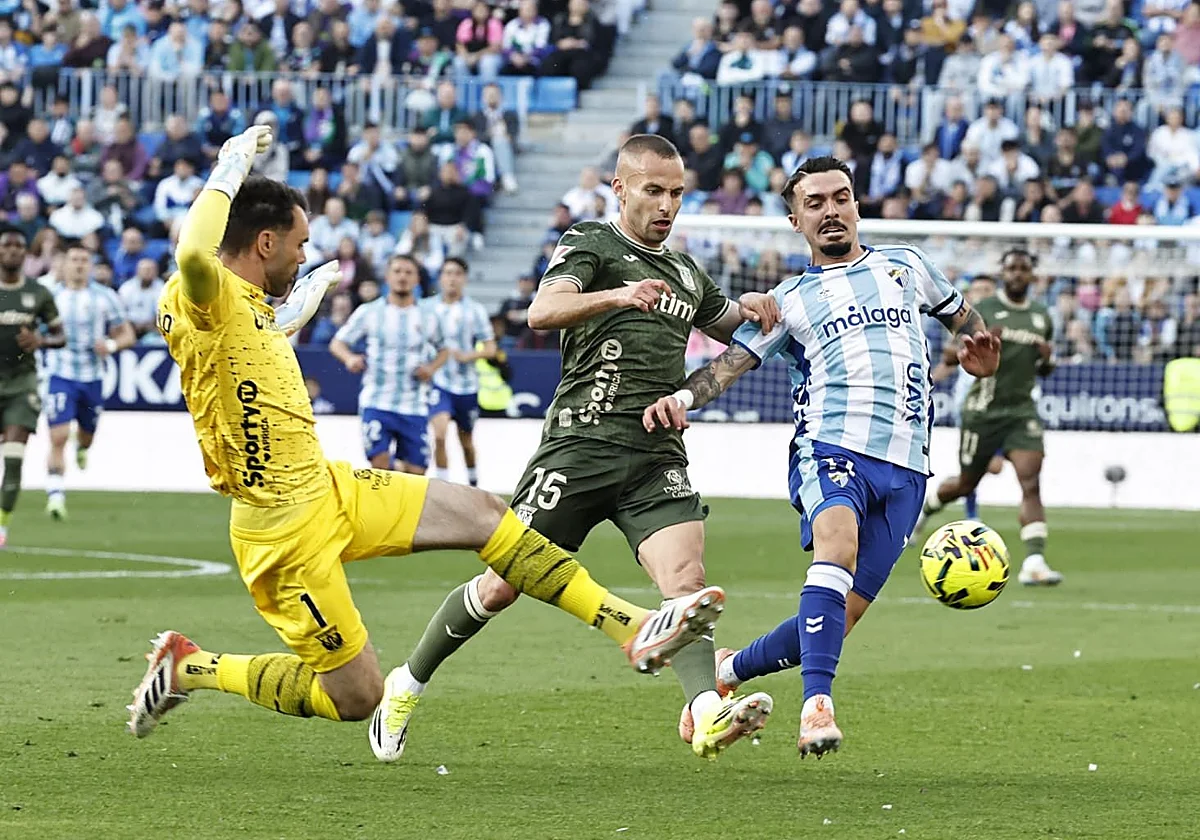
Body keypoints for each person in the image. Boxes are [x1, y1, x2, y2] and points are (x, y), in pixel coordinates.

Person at [127, 128, 724, 766]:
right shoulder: (207, 293)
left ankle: (634, 630)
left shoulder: (240, 304)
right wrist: (228, 168)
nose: (305, 257)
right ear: (264, 242)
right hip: (281, 532)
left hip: (329, 488)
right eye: (299, 245)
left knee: (486, 515)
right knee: (354, 695)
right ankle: (193, 667)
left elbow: (244, 351)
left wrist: (292, 315)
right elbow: (196, 252)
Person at [394, 133, 781, 760]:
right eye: (653, 191)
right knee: (500, 585)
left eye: (677, 193)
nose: (667, 205)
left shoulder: (685, 270)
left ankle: (705, 711)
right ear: (620, 187)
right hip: (579, 447)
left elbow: (728, 322)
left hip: (655, 454)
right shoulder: (591, 243)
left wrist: (754, 305)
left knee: (687, 581)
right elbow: (541, 311)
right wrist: (617, 295)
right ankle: (405, 682)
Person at [641, 156, 1000, 757]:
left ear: (857, 204)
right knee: (837, 546)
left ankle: (729, 670)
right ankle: (816, 707)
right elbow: (731, 365)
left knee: (842, 616)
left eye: (841, 198)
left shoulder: (906, 266)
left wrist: (982, 354)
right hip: (831, 446)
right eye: (816, 203)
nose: (831, 211)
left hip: (908, 466)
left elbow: (968, 323)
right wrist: (682, 396)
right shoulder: (790, 300)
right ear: (795, 220)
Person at [917, 248, 1062, 586]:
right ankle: (927, 508)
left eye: (1024, 269)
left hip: (1021, 412)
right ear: (1002, 272)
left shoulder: (1042, 317)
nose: (1017, 274)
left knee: (1030, 481)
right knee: (967, 483)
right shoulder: (984, 310)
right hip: (982, 413)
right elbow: (952, 354)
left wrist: (1048, 360)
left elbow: (1045, 369)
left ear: (1032, 275)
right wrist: (974, 347)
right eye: (1011, 268)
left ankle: (1035, 561)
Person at [42, 242, 136, 520]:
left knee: (86, 435)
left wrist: (110, 344)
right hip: (59, 374)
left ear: (91, 265)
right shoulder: (50, 296)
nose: (80, 264)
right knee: (57, 436)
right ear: (65, 264)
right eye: (74, 260)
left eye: (85, 260)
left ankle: (82, 447)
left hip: (92, 377)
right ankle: (56, 495)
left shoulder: (105, 297)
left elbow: (126, 334)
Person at [330, 254, 446, 475]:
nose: (402, 277)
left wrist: (431, 368)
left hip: (414, 404)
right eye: (397, 271)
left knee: (416, 472)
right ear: (387, 277)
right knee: (380, 463)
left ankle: (400, 482)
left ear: (417, 279)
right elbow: (338, 343)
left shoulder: (428, 316)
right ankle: (386, 502)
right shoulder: (370, 312)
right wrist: (350, 358)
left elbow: (444, 349)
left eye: (408, 272)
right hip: (377, 400)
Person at [0, 225, 63, 546]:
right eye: (6, 246)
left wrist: (40, 340)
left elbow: (60, 335)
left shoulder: (38, 293)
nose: (12, 251)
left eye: (18, 246)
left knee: (13, 457)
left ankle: (2, 525)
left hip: (21, 387)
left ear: (25, 253)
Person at [931, 273, 1004, 521]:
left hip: (1001, 407)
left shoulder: (1006, 323)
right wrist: (927, 383)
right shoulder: (963, 328)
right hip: (970, 407)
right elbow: (949, 362)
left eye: (987, 289)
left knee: (992, 467)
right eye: (976, 290)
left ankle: (934, 503)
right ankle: (972, 517)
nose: (981, 294)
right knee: (977, 470)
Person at [424, 257, 494, 486]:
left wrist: (469, 355)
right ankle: (442, 488)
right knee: (440, 435)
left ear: (464, 279)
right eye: (447, 273)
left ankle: (474, 483)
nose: (452, 278)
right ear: (441, 278)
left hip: (466, 385)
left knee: (466, 442)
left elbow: (491, 348)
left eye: (457, 274)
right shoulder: (427, 308)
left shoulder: (475, 310)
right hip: (439, 382)